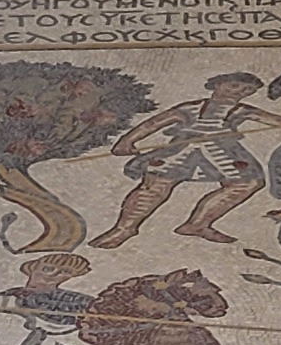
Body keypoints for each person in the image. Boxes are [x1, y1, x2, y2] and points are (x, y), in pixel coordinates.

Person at [94, 73, 270, 250]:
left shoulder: (243, 110)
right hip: (183, 148)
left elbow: (280, 121)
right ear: (217, 85)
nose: (239, 91)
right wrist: (127, 141)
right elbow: (153, 123)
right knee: (155, 186)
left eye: (248, 90)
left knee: (248, 183)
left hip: (222, 151)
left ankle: (198, 224)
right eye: (234, 85)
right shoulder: (191, 108)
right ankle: (124, 229)